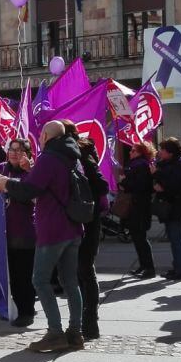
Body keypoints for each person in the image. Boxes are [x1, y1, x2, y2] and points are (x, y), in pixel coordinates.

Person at [0, 120, 88, 353]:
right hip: (73, 227)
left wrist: (7, 183)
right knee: (70, 282)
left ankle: (55, 333)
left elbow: (30, 190)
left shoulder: (49, 157)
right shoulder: (72, 155)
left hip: (53, 228)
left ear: (45, 135)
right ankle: (75, 332)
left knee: (40, 280)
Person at [0, 138, 37, 326]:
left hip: (25, 232)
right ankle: (14, 307)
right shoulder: (1, 168)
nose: (14, 153)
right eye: (12, 149)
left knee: (23, 275)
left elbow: (31, 193)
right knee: (9, 274)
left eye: (19, 150)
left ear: (27, 154)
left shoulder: (33, 172)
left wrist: (8, 184)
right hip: (2, 233)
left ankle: (27, 311)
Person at [73, 131, 110, 340]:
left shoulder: (84, 159)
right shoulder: (76, 157)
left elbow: (101, 186)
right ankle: (82, 320)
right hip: (81, 221)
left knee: (85, 270)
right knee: (80, 271)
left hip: (89, 221)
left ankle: (90, 322)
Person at [152, 137, 181, 281]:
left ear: (171, 153)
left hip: (176, 207)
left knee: (176, 238)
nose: (160, 152)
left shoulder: (179, 165)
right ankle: (177, 267)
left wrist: (159, 180)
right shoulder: (164, 164)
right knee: (173, 238)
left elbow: (175, 186)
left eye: (162, 150)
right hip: (169, 206)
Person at [120, 141, 156, 279]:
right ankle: (144, 265)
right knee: (137, 237)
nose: (130, 152)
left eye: (133, 150)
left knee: (140, 238)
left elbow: (139, 186)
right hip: (138, 205)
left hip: (139, 206)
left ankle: (149, 267)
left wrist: (123, 181)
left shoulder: (140, 165)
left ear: (141, 152)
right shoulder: (137, 165)